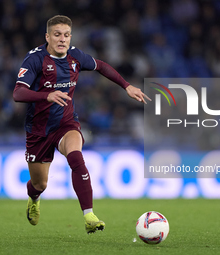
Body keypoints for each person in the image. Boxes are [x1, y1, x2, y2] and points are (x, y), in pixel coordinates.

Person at [13, 15, 150, 234]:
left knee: (76, 156)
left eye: (66, 35)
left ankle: (89, 215)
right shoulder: (35, 60)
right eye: (57, 35)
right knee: (40, 184)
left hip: (66, 124)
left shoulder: (76, 56)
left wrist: (126, 86)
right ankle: (34, 197)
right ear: (47, 37)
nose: (62, 39)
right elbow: (18, 93)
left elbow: (102, 66)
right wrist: (46, 96)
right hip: (38, 130)